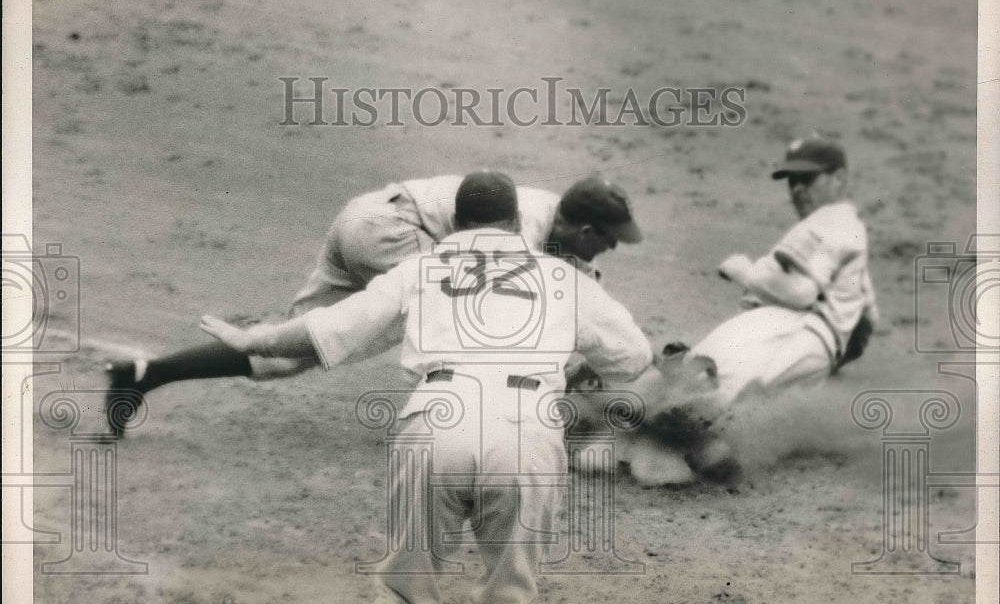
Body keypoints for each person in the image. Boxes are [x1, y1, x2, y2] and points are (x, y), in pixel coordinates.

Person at [199, 172, 653, 604]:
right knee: (506, 597)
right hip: (527, 429)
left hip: (436, 418)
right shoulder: (564, 278)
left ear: (455, 223)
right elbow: (634, 357)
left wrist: (256, 340)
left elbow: (329, 327)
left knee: (404, 588)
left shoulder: (421, 265)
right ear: (520, 221)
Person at [104, 171, 642, 435]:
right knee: (437, 321)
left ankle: (144, 375)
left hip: (363, 218)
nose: (611, 250)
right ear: (588, 228)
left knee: (288, 354)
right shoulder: (518, 230)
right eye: (610, 239)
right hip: (393, 229)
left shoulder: (555, 234)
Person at [567, 135, 879, 485]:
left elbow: (802, 292)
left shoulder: (832, 223)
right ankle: (641, 448)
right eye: (793, 180)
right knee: (691, 381)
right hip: (790, 334)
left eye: (809, 179)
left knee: (696, 389)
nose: (798, 189)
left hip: (795, 328)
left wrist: (747, 272)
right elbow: (864, 322)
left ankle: (676, 450)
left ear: (839, 179)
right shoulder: (838, 227)